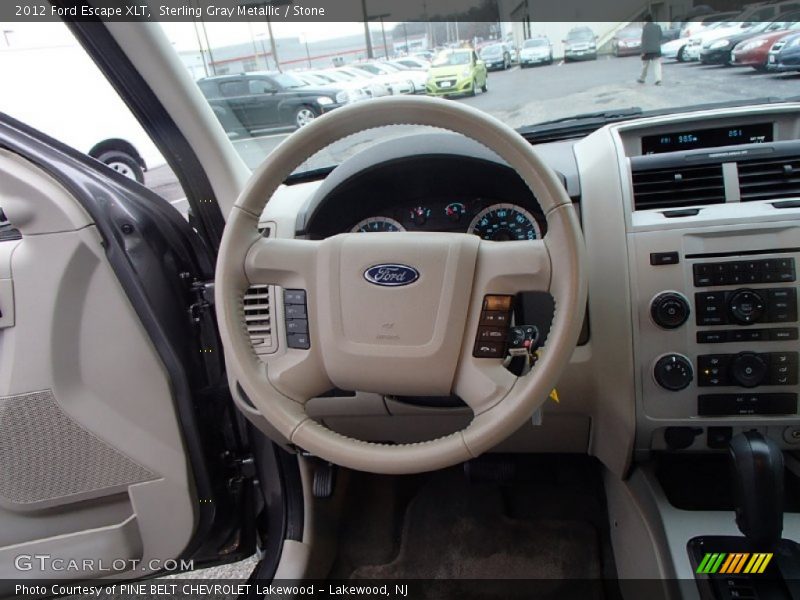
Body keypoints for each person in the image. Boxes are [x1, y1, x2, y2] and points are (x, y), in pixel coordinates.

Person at [638, 14, 663, 85]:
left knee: (645, 65)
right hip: (656, 49)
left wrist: (642, 52)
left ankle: (642, 78)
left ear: (645, 21)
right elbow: (661, 37)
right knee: (657, 64)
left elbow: (644, 40)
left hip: (647, 50)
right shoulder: (658, 27)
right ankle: (658, 80)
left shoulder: (645, 28)